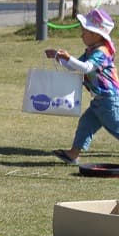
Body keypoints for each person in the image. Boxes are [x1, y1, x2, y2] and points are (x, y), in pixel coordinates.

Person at [46, 9, 119, 164]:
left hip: (109, 100)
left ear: (96, 34)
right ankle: (73, 154)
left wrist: (69, 57)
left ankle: (73, 153)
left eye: (85, 31)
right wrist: (59, 57)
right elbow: (74, 67)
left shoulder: (102, 52)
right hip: (99, 100)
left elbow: (86, 68)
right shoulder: (91, 50)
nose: (81, 34)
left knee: (116, 127)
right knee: (86, 124)